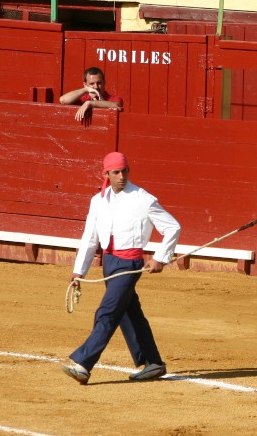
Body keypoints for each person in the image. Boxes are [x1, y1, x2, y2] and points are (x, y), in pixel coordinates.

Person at [62, 152, 181, 385]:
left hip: (129, 264)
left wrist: (160, 258)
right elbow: (90, 238)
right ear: (106, 173)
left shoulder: (143, 199)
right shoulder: (98, 201)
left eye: (124, 171)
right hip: (109, 262)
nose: (121, 176)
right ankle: (152, 362)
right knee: (129, 312)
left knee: (107, 312)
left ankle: (83, 363)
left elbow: (173, 227)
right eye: (116, 172)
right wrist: (79, 271)